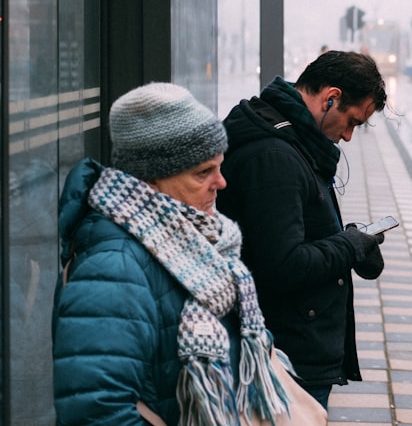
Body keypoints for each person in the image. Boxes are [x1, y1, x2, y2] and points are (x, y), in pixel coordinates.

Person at [53, 83, 295, 425]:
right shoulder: (113, 267)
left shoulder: (194, 237)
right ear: (151, 178)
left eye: (219, 166)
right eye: (202, 173)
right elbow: (96, 413)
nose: (221, 182)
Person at [217, 50, 388, 408]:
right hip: (288, 353)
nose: (349, 136)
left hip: (290, 343)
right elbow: (283, 264)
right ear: (332, 97)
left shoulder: (292, 142)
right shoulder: (276, 156)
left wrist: (354, 239)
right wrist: (348, 246)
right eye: (353, 122)